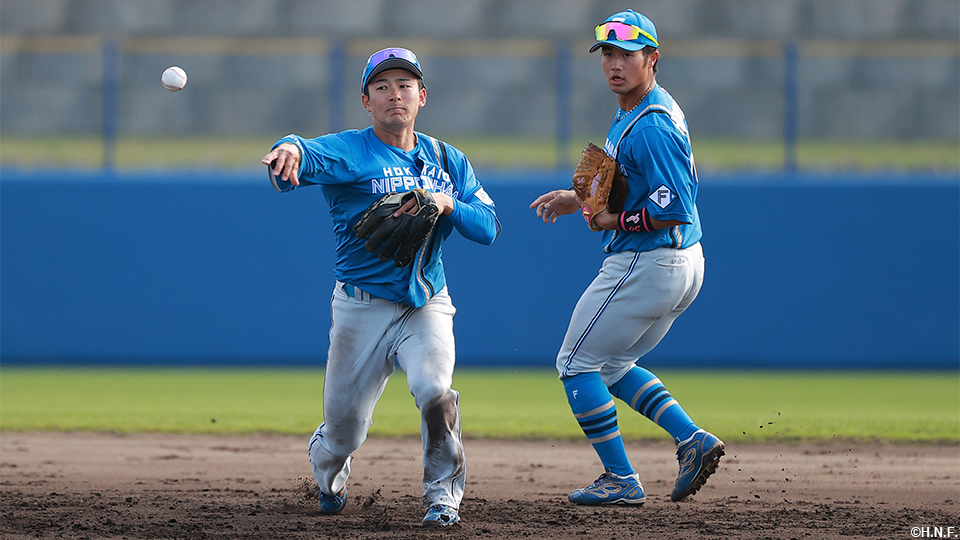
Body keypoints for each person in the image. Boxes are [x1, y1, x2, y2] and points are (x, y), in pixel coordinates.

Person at [262, 47, 500, 526]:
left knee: (436, 391)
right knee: (344, 433)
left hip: (426, 302)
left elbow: (489, 226)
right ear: (367, 100)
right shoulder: (351, 151)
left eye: (405, 85)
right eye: (383, 87)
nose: (396, 95)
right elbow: (300, 157)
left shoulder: (449, 160)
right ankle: (329, 466)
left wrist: (446, 203)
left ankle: (442, 497)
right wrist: (288, 146)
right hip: (360, 308)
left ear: (422, 96)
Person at [529, 9, 723, 506]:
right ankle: (692, 440)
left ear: (652, 59)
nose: (615, 64)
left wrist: (612, 221)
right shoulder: (643, 106)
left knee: (574, 363)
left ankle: (620, 479)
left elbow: (672, 209)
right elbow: (626, 176)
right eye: (608, 54)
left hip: (650, 259)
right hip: (683, 263)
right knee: (613, 364)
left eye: (627, 54)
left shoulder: (651, 126)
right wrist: (580, 197)